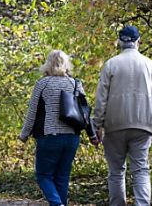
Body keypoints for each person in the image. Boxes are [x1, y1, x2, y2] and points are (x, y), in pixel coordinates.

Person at [94, 25, 152, 206]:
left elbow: (101, 98)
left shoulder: (111, 64)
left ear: (120, 42)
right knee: (141, 170)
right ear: (138, 42)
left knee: (116, 171)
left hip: (114, 125)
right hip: (144, 125)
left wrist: (96, 125)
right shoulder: (151, 65)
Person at [19, 50, 97, 206]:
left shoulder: (43, 83)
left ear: (48, 64)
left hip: (50, 136)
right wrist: (92, 135)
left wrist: (24, 134)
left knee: (43, 175)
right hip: (71, 137)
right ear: (66, 64)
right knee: (62, 177)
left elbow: (32, 112)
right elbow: (85, 112)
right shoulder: (75, 83)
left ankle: (56, 204)